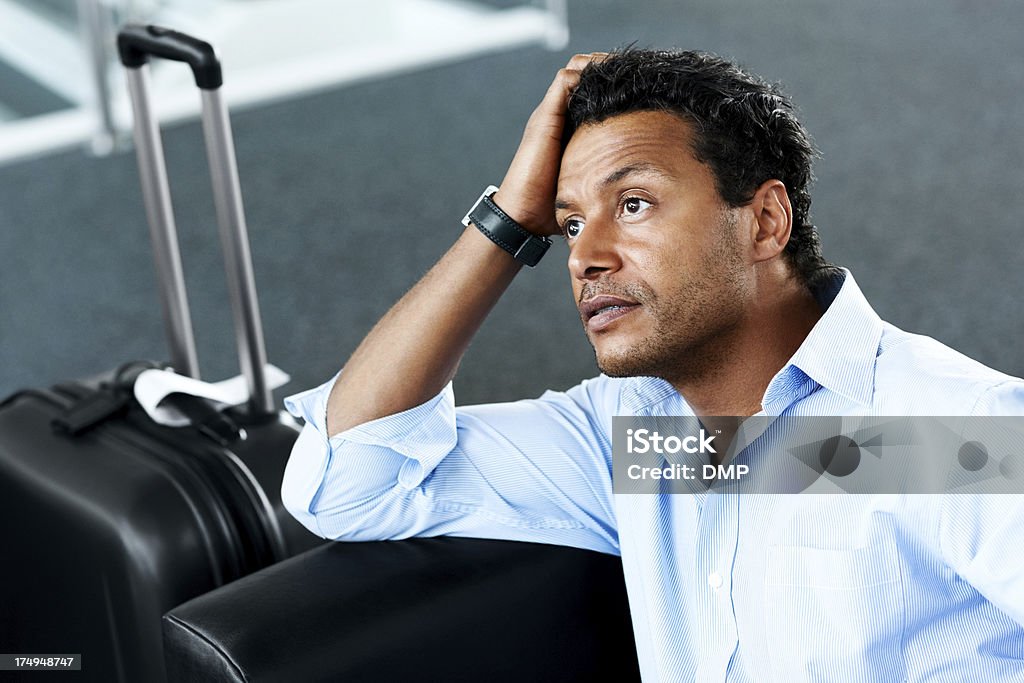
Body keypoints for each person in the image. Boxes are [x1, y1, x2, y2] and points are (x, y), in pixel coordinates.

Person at [281, 49, 1024, 681]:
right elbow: (349, 481)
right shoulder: (640, 441)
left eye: (633, 203)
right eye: (568, 222)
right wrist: (509, 220)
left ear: (764, 221)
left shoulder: (951, 432)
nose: (583, 256)